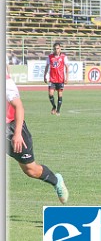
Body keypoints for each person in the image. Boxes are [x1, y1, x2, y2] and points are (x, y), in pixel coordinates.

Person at [6, 71, 69, 204]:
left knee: (30, 170)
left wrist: (17, 134)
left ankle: (56, 180)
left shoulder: (5, 82)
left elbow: (19, 107)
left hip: (12, 129)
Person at [43, 42, 69, 116]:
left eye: (57, 48)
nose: (56, 50)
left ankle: (58, 110)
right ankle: (54, 106)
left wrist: (67, 78)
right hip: (52, 79)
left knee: (60, 95)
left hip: (60, 79)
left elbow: (67, 67)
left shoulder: (64, 57)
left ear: (60, 48)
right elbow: (47, 66)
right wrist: (44, 76)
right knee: (50, 94)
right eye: (55, 49)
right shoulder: (50, 57)